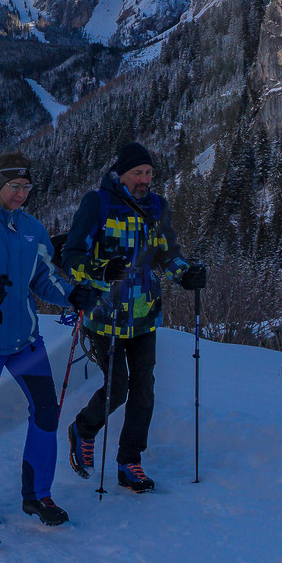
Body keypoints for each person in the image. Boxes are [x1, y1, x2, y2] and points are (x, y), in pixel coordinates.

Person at [0, 150, 100, 529]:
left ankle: (37, 496)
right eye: (15, 186)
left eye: (26, 187)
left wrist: (71, 294)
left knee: (47, 413)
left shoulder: (33, 228)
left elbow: (44, 279)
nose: (21, 194)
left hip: (26, 340)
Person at [63, 142, 207, 493]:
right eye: (138, 173)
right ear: (121, 174)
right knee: (117, 387)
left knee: (144, 390)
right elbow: (70, 256)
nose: (145, 180)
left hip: (143, 315)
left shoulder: (157, 206)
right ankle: (83, 428)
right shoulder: (97, 203)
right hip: (104, 314)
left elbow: (167, 252)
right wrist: (100, 269)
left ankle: (130, 461)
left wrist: (185, 273)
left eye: (149, 174)